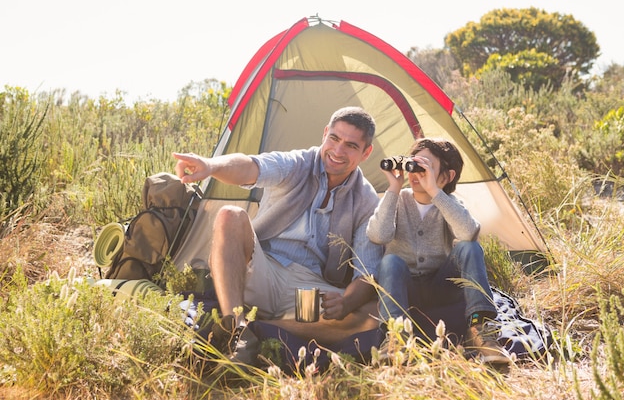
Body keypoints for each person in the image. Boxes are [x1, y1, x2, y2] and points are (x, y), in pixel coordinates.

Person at [173, 106, 384, 365]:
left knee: (375, 315)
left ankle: (261, 328)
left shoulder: (367, 199)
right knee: (230, 215)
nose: (338, 151)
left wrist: (347, 303)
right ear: (325, 133)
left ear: (366, 153)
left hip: (306, 292)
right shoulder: (297, 163)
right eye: (335, 139)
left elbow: (367, 272)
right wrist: (211, 165)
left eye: (351, 145)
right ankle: (237, 331)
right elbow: (250, 167)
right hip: (262, 272)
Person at [366, 137, 510, 364]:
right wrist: (393, 187)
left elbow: (468, 233)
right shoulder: (399, 200)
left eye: (425, 167)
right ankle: (396, 336)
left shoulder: (449, 203)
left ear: (446, 176)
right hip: (407, 288)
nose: (416, 173)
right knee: (390, 261)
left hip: (442, 287)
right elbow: (377, 236)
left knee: (469, 247)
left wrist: (434, 191)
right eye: (413, 165)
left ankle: (480, 330)